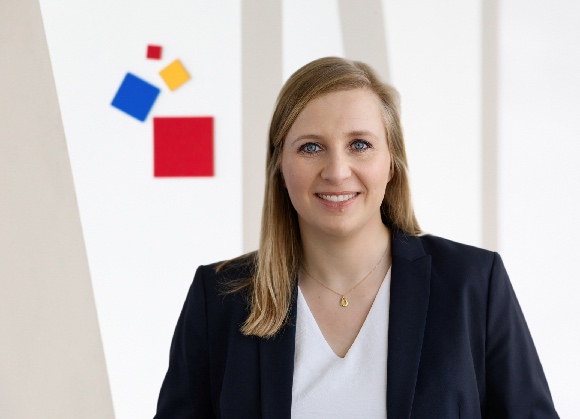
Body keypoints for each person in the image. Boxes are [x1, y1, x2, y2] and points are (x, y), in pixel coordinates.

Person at [154, 57, 558, 418]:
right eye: (310, 147)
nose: (337, 171)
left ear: (391, 163)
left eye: (360, 145)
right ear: (280, 168)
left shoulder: (473, 283)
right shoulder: (220, 297)